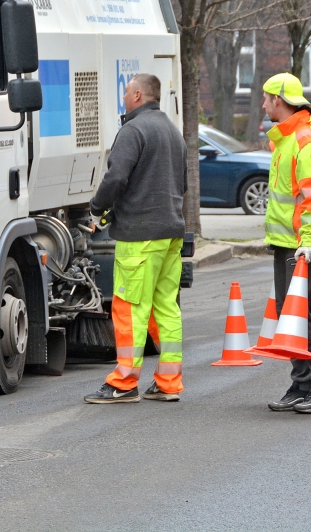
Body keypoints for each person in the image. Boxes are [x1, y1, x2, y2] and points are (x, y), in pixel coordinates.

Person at [84, 73, 187, 404]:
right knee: (165, 309)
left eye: (127, 93)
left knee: (129, 308)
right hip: (171, 233)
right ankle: (169, 382)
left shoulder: (133, 130)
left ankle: (124, 383)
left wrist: (98, 207)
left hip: (139, 237)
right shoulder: (172, 131)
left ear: (139, 95)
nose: (124, 98)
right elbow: (182, 183)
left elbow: (116, 177)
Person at [261, 72, 311, 414]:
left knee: (300, 316)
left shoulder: (304, 140)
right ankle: (302, 383)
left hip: (301, 245)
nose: (263, 105)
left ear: (279, 100)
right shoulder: (289, 138)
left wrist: (307, 242)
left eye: (266, 99)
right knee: (287, 315)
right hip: (288, 242)